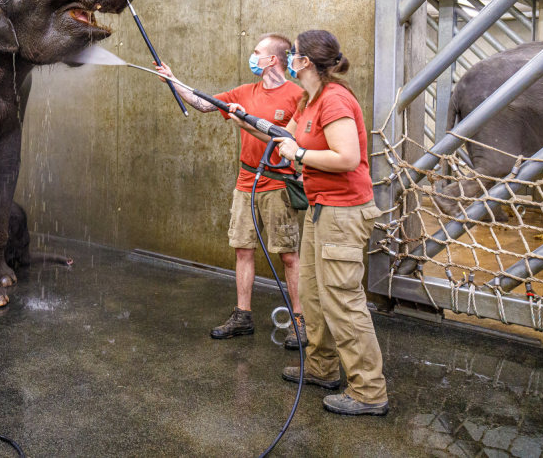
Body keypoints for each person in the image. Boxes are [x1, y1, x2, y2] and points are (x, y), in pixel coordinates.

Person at [232, 29, 388, 416]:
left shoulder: (334, 100)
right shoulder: (309, 98)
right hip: (321, 209)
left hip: (343, 211)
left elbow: (348, 157)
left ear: (305, 62)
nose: (290, 60)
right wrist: (245, 119)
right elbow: (284, 137)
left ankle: (369, 392)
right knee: (316, 299)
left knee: (344, 302)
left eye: (295, 55)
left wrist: (300, 153)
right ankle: (321, 368)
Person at [156, 34, 306, 346]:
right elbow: (202, 103)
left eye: (257, 52)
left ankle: (300, 321)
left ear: (273, 60)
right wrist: (173, 80)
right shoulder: (244, 92)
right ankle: (243, 316)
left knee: (289, 256)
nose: (253, 57)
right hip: (246, 183)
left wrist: (246, 121)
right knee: (243, 249)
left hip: (279, 184)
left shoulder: (297, 95)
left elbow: (290, 142)